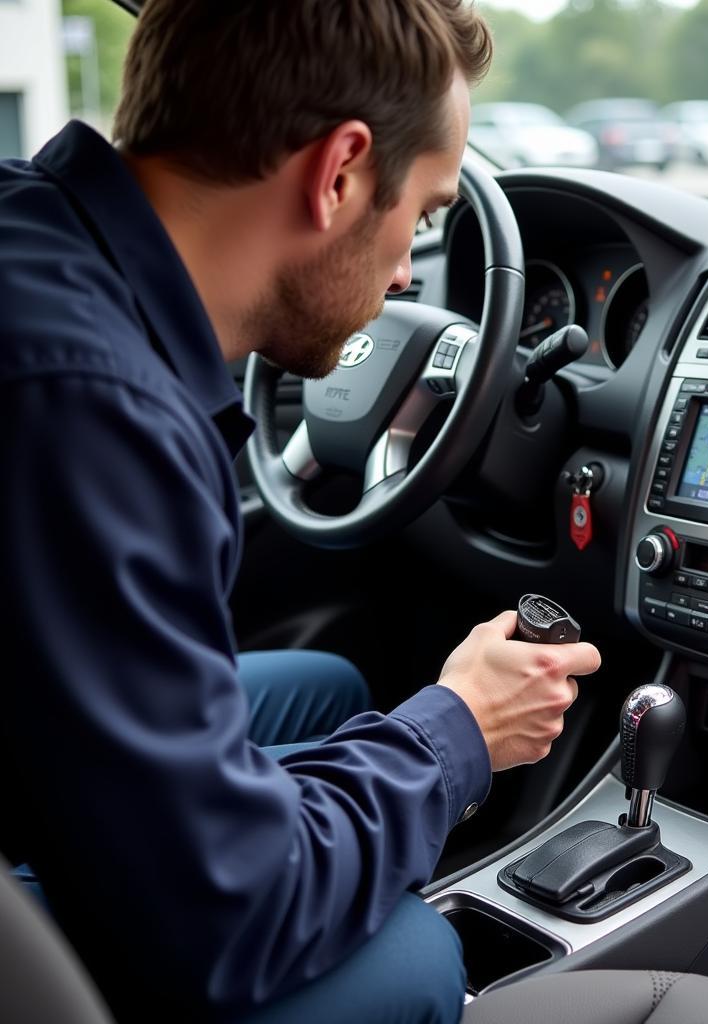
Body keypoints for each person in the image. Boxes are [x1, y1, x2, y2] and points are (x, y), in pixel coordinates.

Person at [0, 2, 601, 1022]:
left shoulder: (41, 243)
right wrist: (460, 729)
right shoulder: (95, 411)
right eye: (421, 214)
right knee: (414, 954)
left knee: (324, 690)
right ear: (339, 173)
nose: (411, 270)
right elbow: (223, 917)